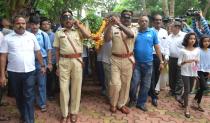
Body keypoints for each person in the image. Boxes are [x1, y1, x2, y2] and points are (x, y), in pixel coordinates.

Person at [0, 15, 45, 123]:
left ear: (26, 24)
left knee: (29, 96)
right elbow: (3, 56)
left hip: (30, 72)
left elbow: (38, 52)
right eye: (18, 23)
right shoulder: (7, 38)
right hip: (13, 73)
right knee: (19, 97)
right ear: (14, 24)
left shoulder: (31, 36)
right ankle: (23, 114)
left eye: (23, 23)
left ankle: (29, 120)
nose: (21, 25)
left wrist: (42, 65)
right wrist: (2, 75)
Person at [53, 10, 91, 123]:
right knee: (63, 89)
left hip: (77, 61)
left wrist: (79, 24)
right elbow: (57, 50)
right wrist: (57, 66)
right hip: (63, 61)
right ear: (62, 21)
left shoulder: (78, 31)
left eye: (70, 18)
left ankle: (74, 112)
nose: (68, 20)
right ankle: (64, 114)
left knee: (76, 88)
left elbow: (88, 35)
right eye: (65, 18)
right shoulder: (59, 33)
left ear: (72, 19)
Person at [128, 15, 164, 112]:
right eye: (142, 21)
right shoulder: (135, 33)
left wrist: (161, 61)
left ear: (148, 23)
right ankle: (132, 99)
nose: (144, 22)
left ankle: (141, 103)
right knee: (134, 84)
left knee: (146, 85)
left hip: (149, 64)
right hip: (136, 64)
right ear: (139, 22)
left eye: (146, 21)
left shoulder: (152, 32)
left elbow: (157, 47)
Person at [104, 10, 136, 114]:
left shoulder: (134, 28)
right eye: (124, 17)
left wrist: (118, 23)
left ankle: (121, 104)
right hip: (115, 59)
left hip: (128, 59)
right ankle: (113, 104)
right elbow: (107, 39)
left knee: (126, 84)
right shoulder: (113, 28)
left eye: (128, 17)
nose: (126, 19)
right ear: (121, 17)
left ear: (131, 19)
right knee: (115, 83)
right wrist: (109, 25)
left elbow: (131, 35)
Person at [28, 15, 52, 112]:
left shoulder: (43, 35)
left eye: (37, 24)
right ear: (30, 24)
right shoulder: (26, 34)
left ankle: (42, 103)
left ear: (39, 25)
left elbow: (49, 49)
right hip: (29, 62)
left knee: (42, 84)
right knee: (30, 84)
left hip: (41, 61)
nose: (35, 27)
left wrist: (49, 63)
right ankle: (31, 102)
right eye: (33, 24)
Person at [177, 32, 199, 118]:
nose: (192, 40)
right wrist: (186, 61)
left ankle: (181, 99)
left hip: (192, 73)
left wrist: (196, 73)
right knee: (187, 90)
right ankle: (186, 109)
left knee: (189, 91)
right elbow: (178, 63)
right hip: (184, 72)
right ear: (187, 39)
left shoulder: (197, 50)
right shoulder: (183, 50)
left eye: (194, 39)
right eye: (190, 38)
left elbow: (197, 63)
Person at [148, 14, 168, 107]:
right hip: (151, 56)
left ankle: (150, 92)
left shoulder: (165, 32)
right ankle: (153, 96)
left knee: (157, 75)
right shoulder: (149, 31)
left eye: (160, 20)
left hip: (161, 57)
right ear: (153, 21)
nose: (158, 21)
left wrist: (166, 57)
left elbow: (166, 45)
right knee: (152, 76)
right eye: (156, 20)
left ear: (162, 21)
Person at [167, 21, 186, 101]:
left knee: (179, 77)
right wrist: (166, 56)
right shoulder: (169, 36)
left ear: (177, 27)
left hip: (181, 59)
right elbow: (167, 47)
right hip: (171, 59)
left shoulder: (184, 35)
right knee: (171, 75)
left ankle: (178, 93)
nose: (170, 28)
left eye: (172, 27)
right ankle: (172, 90)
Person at [40, 17, 58, 100]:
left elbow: (56, 49)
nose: (46, 26)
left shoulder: (54, 35)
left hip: (52, 60)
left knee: (52, 78)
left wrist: (52, 61)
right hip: (42, 60)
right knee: (43, 78)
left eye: (47, 24)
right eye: (43, 24)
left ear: (50, 25)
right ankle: (44, 94)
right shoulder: (39, 35)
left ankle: (51, 93)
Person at [191, 35, 210, 112]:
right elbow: (193, 62)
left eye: (208, 41)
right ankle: (197, 101)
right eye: (205, 41)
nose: (207, 43)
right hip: (199, 71)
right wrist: (194, 72)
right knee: (204, 87)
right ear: (201, 42)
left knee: (202, 88)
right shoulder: (198, 50)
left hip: (206, 71)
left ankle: (197, 102)